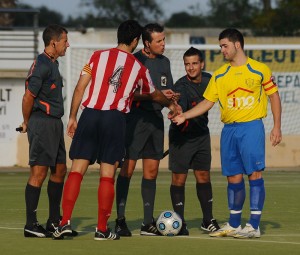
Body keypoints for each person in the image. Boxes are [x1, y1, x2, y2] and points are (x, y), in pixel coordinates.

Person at [52, 20, 179, 241]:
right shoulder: (139, 67)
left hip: (89, 115)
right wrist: (172, 106)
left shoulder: (96, 57)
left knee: (76, 171)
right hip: (114, 118)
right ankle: (102, 229)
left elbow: (81, 86)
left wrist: (72, 117)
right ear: (135, 41)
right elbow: (154, 94)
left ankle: (64, 223)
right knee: (107, 175)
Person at [172, 28, 282, 239]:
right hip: (229, 130)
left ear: (237, 45)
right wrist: (185, 115)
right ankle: (233, 224)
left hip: (251, 127)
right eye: (220, 46)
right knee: (233, 176)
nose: (222, 50)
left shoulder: (259, 69)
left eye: (224, 46)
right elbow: (207, 102)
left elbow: (274, 97)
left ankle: (254, 225)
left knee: (254, 174)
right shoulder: (221, 74)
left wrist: (276, 127)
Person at [115, 23, 179, 236]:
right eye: (159, 41)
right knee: (128, 170)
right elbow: (127, 94)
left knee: (151, 171)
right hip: (134, 120)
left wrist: (171, 101)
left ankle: (147, 222)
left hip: (155, 122)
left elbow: (163, 91)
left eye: (164, 40)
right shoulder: (134, 61)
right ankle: (120, 220)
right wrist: (155, 94)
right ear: (146, 43)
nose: (163, 44)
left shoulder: (165, 62)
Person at [21, 24, 75, 237]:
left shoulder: (54, 63)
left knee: (60, 170)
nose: (67, 44)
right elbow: (28, 97)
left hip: (55, 124)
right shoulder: (41, 64)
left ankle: (54, 222)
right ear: (54, 42)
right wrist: (26, 122)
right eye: (65, 40)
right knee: (39, 172)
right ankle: (30, 224)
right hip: (42, 123)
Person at [168, 47, 220, 236]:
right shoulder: (181, 86)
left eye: (194, 63)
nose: (190, 68)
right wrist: (175, 110)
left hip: (201, 136)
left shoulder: (210, 80)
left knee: (204, 176)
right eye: (187, 64)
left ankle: (208, 220)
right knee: (179, 179)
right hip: (181, 138)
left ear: (202, 64)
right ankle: (180, 222)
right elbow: (177, 105)